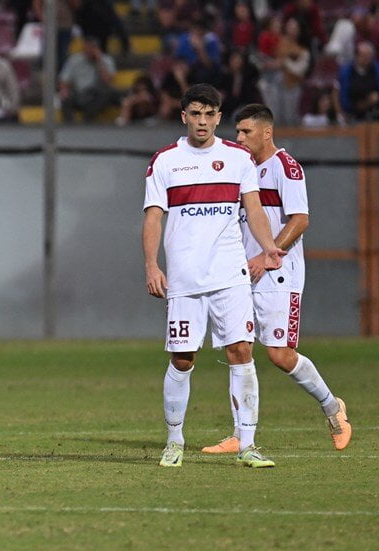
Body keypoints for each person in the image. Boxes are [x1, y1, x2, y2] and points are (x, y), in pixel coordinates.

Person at [142, 84, 286, 469]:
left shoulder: (239, 158)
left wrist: (268, 245)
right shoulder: (165, 161)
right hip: (186, 279)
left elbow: (253, 209)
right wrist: (152, 265)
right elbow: (153, 216)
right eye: (195, 114)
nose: (202, 121)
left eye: (209, 114)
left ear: (219, 117)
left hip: (230, 275)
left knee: (241, 352)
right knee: (183, 359)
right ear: (183, 116)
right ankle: (174, 441)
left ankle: (248, 444)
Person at [199, 104, 352, 454]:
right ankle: (240, 433)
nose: (239, 138)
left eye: (246, 132)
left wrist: (269, 255)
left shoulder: (286, 167)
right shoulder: (241, 168)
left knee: (280, 354)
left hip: (279, 273)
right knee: (238, 349)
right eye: (237, 131)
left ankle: (333, 408)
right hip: (240, 271)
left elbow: (300, 220)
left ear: (266, 132)